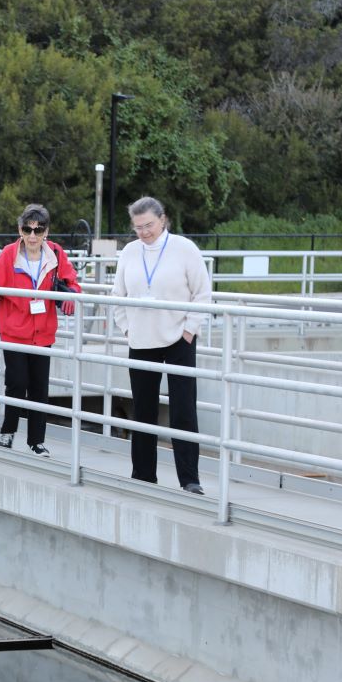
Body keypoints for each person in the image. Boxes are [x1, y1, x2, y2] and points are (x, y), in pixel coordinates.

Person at [111, 195, 211, 494]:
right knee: (143, 410)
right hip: (141, 339)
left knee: (183, 410)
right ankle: (143, 476)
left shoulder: (184, 249)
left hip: (179, 338)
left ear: (163, 219)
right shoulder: (130, 251)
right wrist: (128, 328)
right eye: (138, 227)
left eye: (149, 225)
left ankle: (190, 479)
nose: (143, 232)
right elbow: (117, 296)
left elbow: (203, 294)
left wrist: (189, 331)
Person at [0, 204, 78, 457]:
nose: (32, 236)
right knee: (16, 383)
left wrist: (72, 296)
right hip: (14, 331)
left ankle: (36, 441)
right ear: (20, 230)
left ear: (46, 231)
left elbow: (71, 282)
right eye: (27, 230)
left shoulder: (55, 253)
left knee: (40, 388)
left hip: (43, 332)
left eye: (38, 230)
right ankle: (8, 431)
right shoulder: (10, 253)